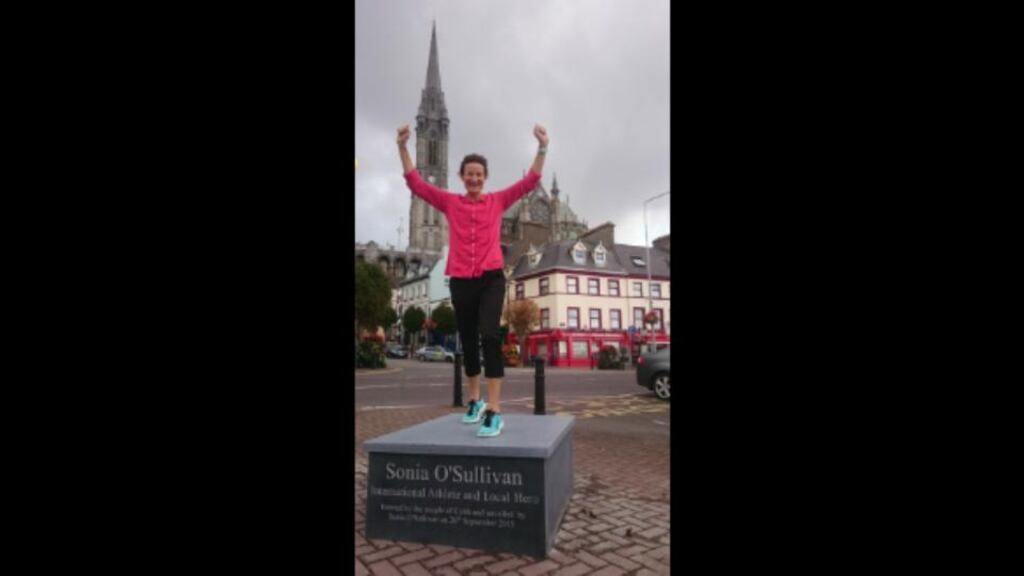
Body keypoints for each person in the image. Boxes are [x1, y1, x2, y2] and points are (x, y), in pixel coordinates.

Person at [397, 123, 549, 437]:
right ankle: (475, 400)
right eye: (469, 173)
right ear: (462, 177)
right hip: (461, 280)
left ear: (485, 177)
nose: (475, 178)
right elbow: (416, 185)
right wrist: (402, 147)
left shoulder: (497, 201)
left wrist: (542, 147)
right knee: (467, 339)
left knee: (490, 336)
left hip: (492, 278)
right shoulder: (451, 203)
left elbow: (530, 182)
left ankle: (494, 410)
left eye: (479, 174)